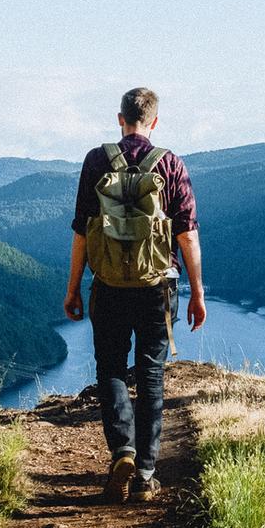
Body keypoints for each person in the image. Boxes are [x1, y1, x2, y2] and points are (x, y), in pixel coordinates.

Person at [64, 87, 205, 503]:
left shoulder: (95, 160)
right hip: (157, 287)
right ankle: (145, 473)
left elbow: (81, 232)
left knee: (109, 367)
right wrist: (197, 292)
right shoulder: (170, 164)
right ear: (154, 121)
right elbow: (187, 235)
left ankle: (121, 451)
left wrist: (73, 288)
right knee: (150, 373)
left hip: (107, 284)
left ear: (119, 118)